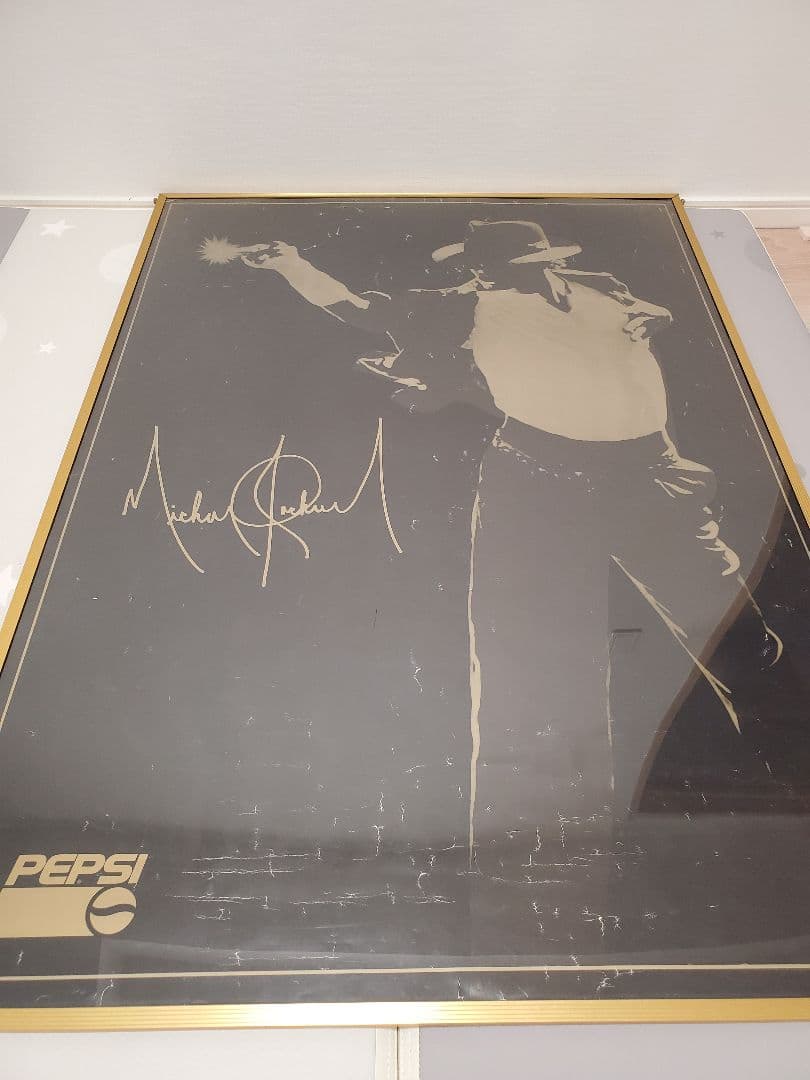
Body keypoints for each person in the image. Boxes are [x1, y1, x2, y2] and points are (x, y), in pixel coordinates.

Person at [233, 218, 781, 880]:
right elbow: (360, 309)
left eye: (502, 266)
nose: (487, 277)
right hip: (541, 481)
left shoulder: (598, 285)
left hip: (652, 473)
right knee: (533, 673)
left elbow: (650, 311)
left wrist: (650, 318)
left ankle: (783, 792)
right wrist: (291, 263)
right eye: (485, 269)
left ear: (543, 261)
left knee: (735, 635)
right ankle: (537, 864)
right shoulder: (465, 305)